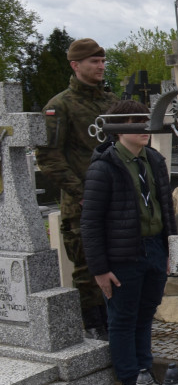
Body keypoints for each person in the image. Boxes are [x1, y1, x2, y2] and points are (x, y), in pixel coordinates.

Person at [81, 100, 175, 385]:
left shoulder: (155, 161)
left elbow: (166, 208)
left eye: (147, 121)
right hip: (123, 255)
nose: (145, 128)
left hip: (154, 249)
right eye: (137, 122)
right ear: (120, 128)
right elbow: (91, 221)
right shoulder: (105, 167)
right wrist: (99, 268)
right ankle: (131, 384)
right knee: (122, 319)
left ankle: (146, 375)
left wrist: (169, 248)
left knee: (145, 317)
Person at [36, 37, 118, 339]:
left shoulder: (110, 102)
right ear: (75, 65)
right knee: (88, 268)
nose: (100, 66)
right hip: (82, 203)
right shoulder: (60, 106)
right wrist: (83, 193)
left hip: (117, 200)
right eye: (93, 62)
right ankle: (95, 328)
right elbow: (48, 157)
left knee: (120, 263)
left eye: (102, 61)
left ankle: (119, 323)